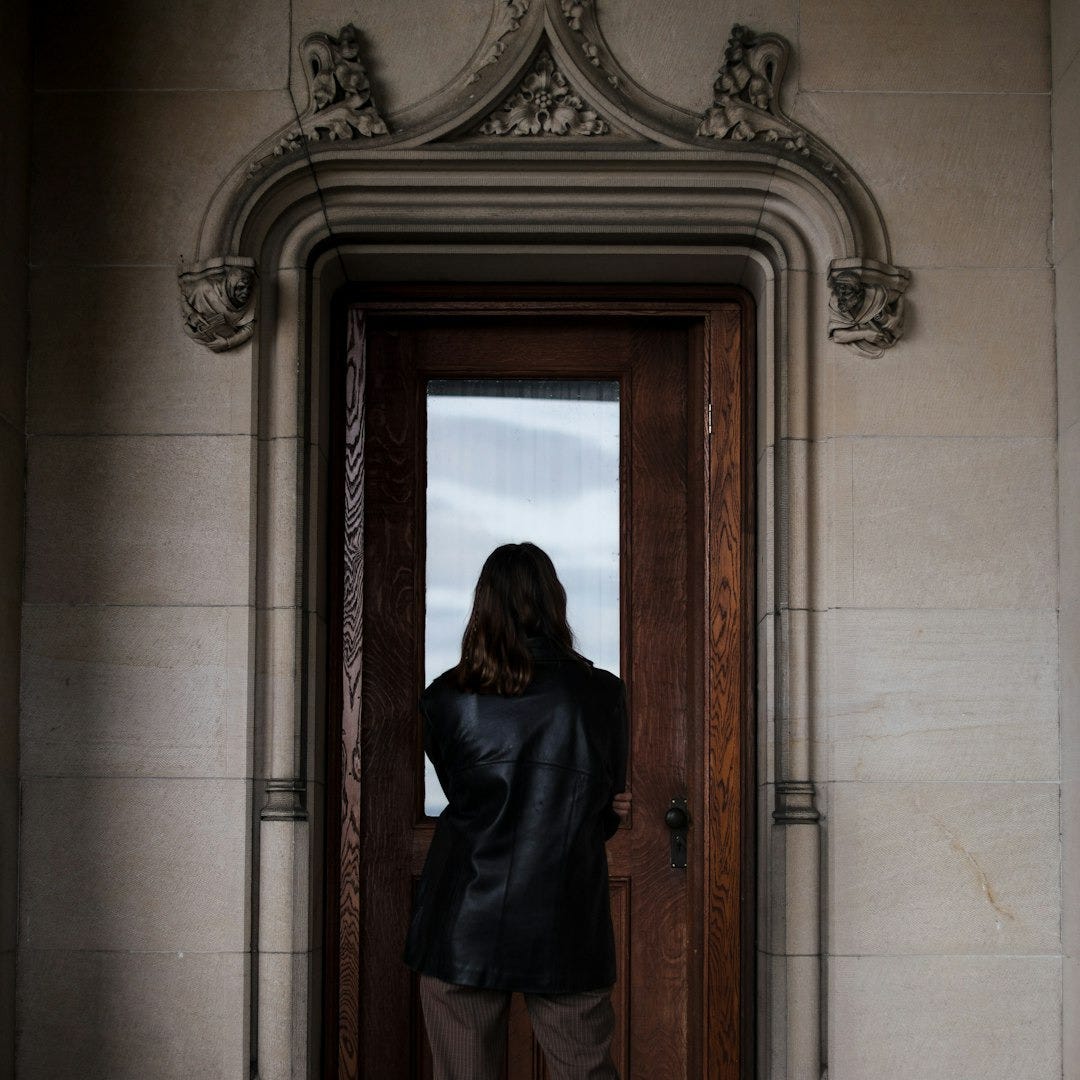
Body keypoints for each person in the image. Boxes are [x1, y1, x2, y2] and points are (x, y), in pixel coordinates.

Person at [403, 542, 631, 1080]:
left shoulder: (445, 699)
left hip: (462, 918)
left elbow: (466, 800)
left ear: (482, 605)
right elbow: (600, 817)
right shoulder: (602, 694)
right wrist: (608, 809)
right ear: (555, 602)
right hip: (565, 918)